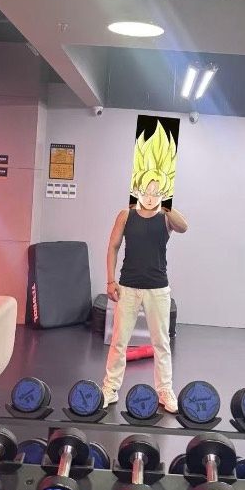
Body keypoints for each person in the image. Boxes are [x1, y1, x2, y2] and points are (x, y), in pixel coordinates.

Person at [102, 123, 187, 411]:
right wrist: (110, 280)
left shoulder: (166, 217)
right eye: (147, 188)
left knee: (161, 343)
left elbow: (184, 227)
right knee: (119, 341)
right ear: (138, 188)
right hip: (128, 286)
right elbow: (113, 246)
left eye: (156, 189)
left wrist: (167, 204)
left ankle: (165, 391)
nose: (151, 194)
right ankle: (110, 387)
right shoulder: (125, 214)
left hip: (158, 289)